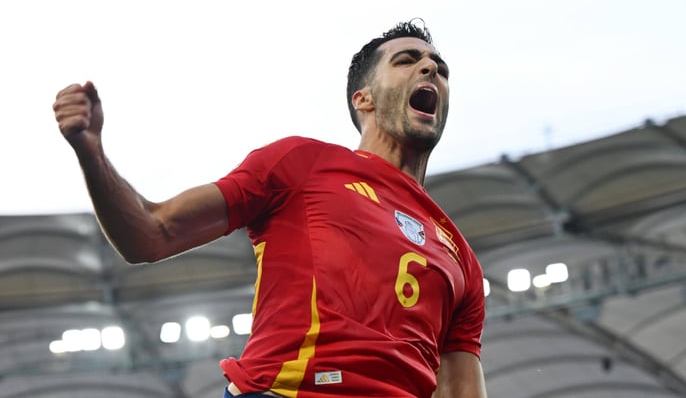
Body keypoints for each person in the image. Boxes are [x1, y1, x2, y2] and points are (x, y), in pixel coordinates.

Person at [53, 20, 488, 398]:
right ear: (364, 99)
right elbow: (152, 234)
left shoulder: (460, 257)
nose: (430, 68)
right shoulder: (304, 164)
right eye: (406, 60)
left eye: (440, 68)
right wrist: (92, 154)